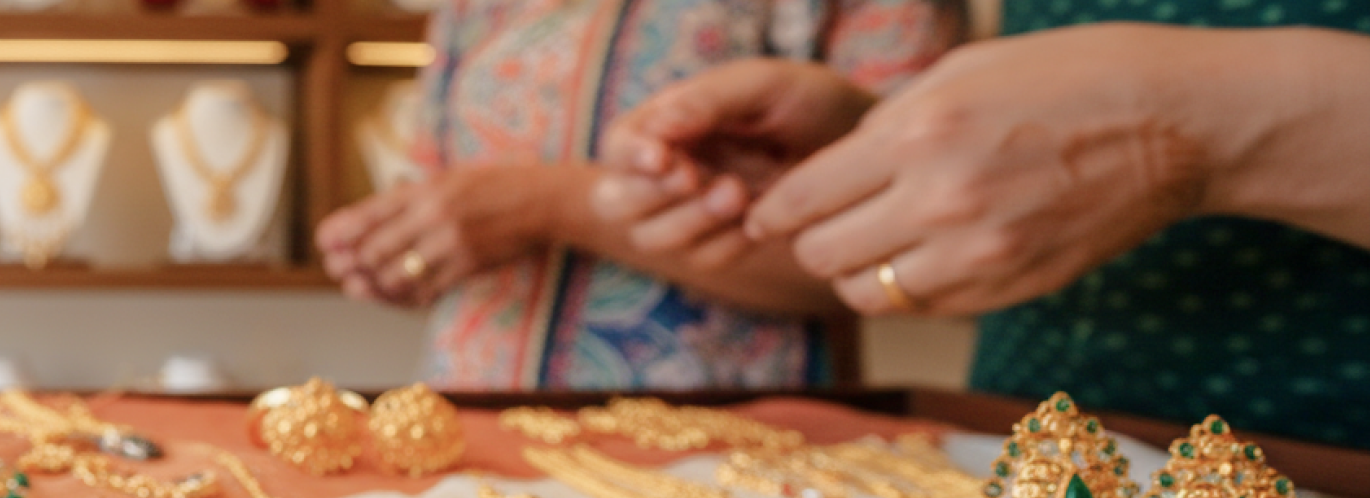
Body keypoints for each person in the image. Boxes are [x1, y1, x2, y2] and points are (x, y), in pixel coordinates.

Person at [595, 15, 1370, 448]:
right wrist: (885, 155)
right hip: (1014, 461)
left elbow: (1131, 110)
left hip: (1325, 486)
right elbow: (1058, 136)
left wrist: (1187, 128)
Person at [317, 0, 964, 391]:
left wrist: (553, 204)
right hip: (474, 429)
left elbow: (916, 237)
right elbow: (442, 192)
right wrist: (406, 249)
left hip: (719, 452)